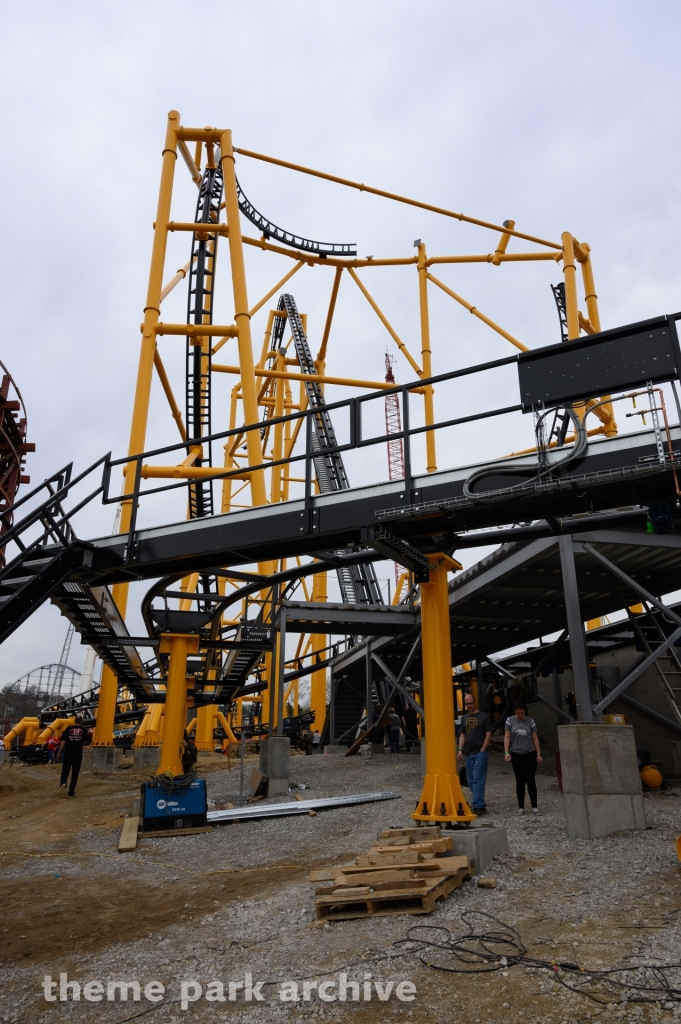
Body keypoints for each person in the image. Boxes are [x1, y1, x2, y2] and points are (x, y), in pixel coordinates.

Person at [504, 701, 543, 816]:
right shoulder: (509, 720)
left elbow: (534, 737)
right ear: (515, 712)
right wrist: (506, 752)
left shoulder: (530, 721)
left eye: (522, 713)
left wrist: (538, 753)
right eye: (518, 713)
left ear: (525, 711)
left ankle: (534, 806)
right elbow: (507, 736)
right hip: (516, 753)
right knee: (520, 781)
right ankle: (521, 807)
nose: (520, 715)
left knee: (530, 780)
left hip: (530, 753)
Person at [457, 693, 493, 814]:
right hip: (468, 752)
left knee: (478, 778)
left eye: (470, 703)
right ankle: (480, 804)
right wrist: (460, 749)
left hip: (480, 752)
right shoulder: (464, 718)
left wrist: (483, 749)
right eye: (467, 704)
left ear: (475, 702)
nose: (469, 706)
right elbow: (462, 735)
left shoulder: (483, 717)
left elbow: (488, 733)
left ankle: (477, 805)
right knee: (471, 780)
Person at [58, 716, 86, 798]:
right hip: (77, 754)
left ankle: (63, 782)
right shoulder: (83, 730)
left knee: (65, 770)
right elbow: (87, 740)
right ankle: (71, 793)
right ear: (81, 721)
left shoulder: (68, 729)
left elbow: (63, 742)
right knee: (75, 773)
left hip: (68, 753)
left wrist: (59, 753)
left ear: (74, 720)